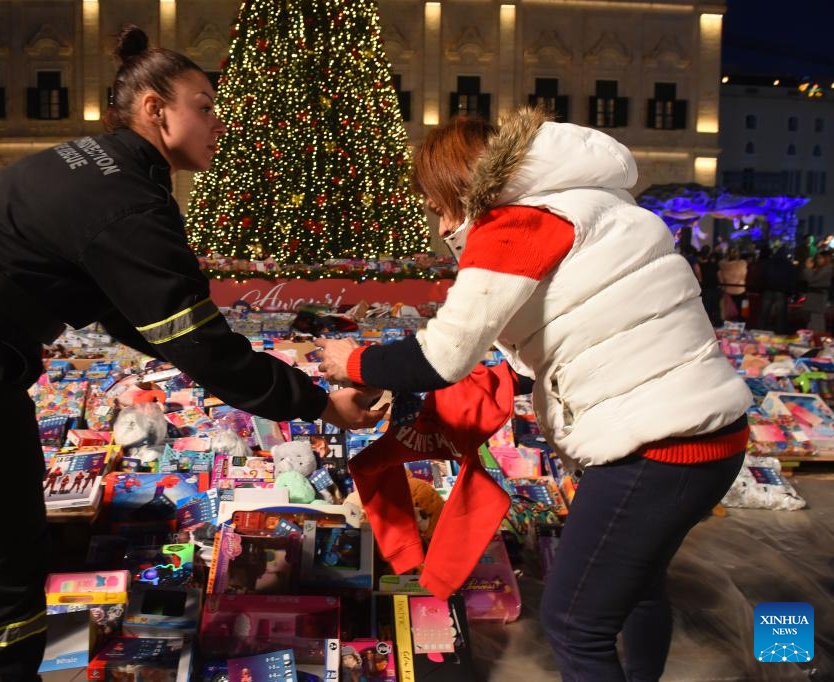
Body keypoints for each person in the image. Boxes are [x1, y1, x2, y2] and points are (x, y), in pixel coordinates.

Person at [0, 26, 384, 682]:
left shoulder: (83, 163)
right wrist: (319, 403)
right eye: (204, 105)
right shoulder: (131, 201)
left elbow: (139, 319)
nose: (217, 123)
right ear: (153, 109)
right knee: (5, 585)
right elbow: (199, 346)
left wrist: (205, 350)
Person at [316, 109, 750, 682]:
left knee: (575, 624)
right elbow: (585, 329)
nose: (440, 223)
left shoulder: (516, 223)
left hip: (655, 451)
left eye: (436, 204)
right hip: (714, 439)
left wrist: (351, 360)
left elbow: (441, 355)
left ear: (458, 186)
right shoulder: (604, 208)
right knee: (639, 589)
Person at [800, 250, 833, 335]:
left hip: (818, 297)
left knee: (817, 320)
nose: (818, 260)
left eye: (820, 258)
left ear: (826, 259)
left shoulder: (827, 268)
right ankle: (814, 337)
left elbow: (812, 279)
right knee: (814, 319)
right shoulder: (823, 268)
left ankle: (817, 337)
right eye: (817, 258)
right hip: (816, 296)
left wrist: (808, 269)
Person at [718, 247, 748, 321]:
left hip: (728, 291)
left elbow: (720, 279)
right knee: (744, 311)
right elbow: (744, 276)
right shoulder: (743, 263)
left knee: (728, 314)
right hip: (741, 290)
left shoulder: (722, 264)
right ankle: (743, 324)